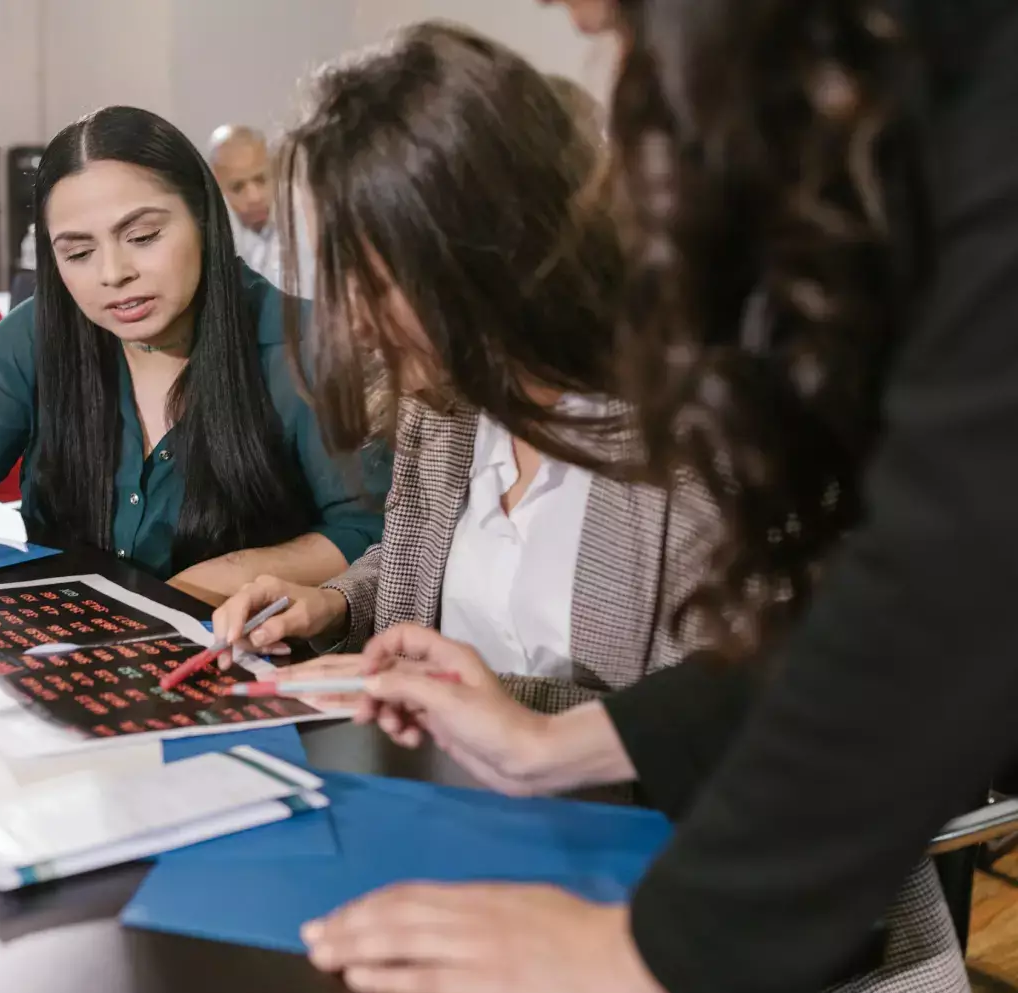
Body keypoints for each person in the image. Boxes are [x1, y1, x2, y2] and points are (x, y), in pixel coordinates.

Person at [295, 1, 1016, 993]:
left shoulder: (715, 394)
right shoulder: (450, 416)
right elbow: (809, 642)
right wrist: (552, 741)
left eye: (626, 29)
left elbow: (920, 607)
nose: (623, 85)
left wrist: (641, 946)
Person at [211, 23, 717, 721]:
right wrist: (332, 605)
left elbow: (711, 717)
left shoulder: (692, 434)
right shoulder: (445, 402)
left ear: (495, 253)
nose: (353, 322)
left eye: (379, 284)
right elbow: (425, 572)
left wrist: (460, 697)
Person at [0, 105, 388, 614]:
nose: (113, 274)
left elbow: (365, 533)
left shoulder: (300, 344)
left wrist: (184, 594)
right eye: (77, 252)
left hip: (240, 665)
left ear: (205, 218)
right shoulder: (38, 334)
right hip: (75, 654)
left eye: (143, 237)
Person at [208, 124, 313, 295]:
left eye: (261, 179)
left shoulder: (309, 221)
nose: (254, 197)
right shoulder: (212, 235)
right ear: (218, 188)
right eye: (237, 187)